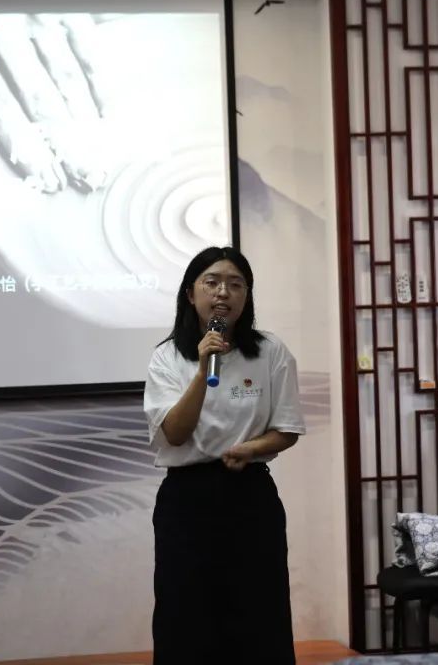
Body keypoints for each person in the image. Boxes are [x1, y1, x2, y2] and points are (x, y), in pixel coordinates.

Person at [143, 246, 305, 665]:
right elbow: (176, 433)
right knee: (186, 614)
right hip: (187, 500)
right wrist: (203, 370)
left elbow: (287, 428)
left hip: (249, 495)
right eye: (211, 282)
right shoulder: (167, 357)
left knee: (258, 611)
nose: (223, 293)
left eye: (236, 284)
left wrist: (252, 448)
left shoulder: (270, 351)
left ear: (246, 297)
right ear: (190, 293)